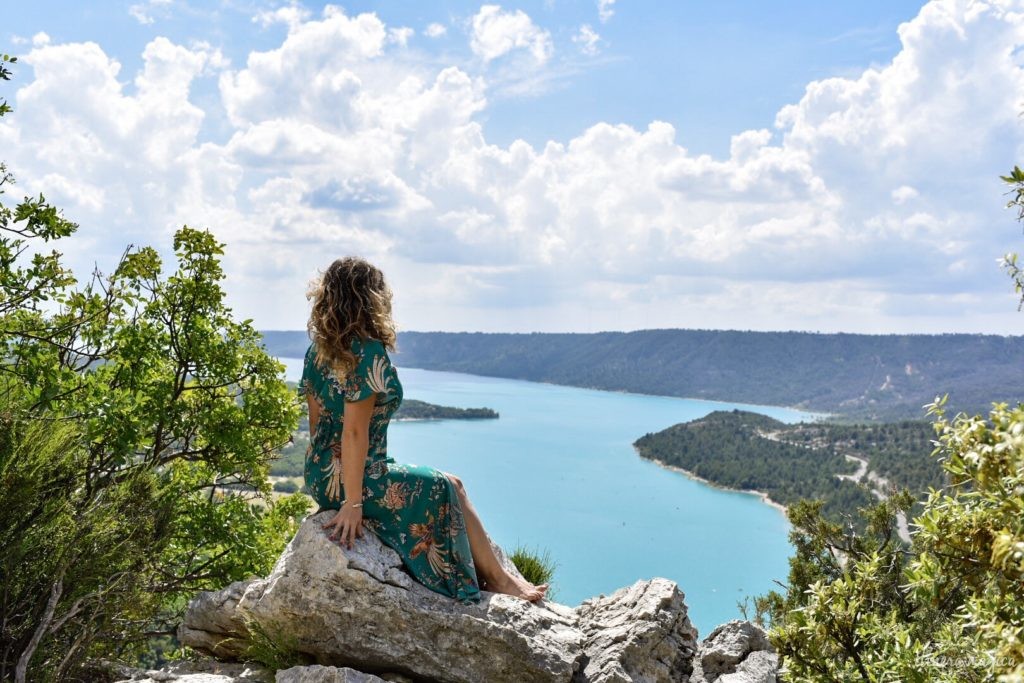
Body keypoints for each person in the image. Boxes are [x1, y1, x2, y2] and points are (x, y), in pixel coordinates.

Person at [298, 256, 548, 604]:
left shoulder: (318, 352)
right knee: (448, 486)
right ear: (370, 299)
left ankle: (495, 576)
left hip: (321, 475)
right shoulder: (368, 353)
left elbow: (316, 422)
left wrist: (332, 482)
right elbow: (353, 433)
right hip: (355, 481)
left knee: (450, 484)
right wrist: (352, 503)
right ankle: (498, 580)